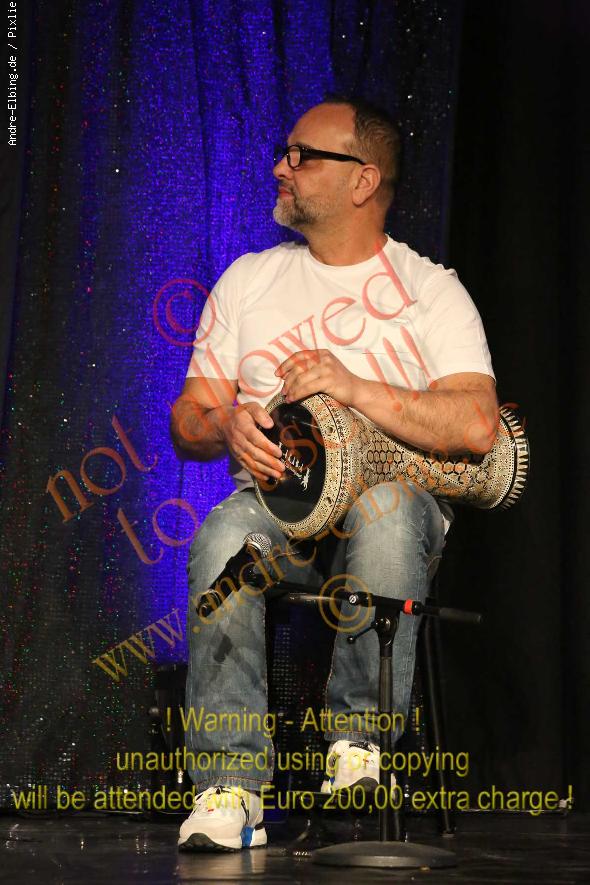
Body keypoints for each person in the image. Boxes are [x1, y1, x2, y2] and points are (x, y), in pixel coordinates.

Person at [170, 97, 498, 851]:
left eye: (302, 155)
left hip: (388, 509)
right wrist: (224, 423)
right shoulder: (249, 280)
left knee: (389, 509)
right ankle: (229, 787)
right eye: (284, 153)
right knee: (224, 538)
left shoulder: (428, 289)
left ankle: (359, 749)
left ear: (363, 179)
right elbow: (189, 417)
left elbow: (479, 424)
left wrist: (355, 387)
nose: (281, 168)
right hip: (279, 509)